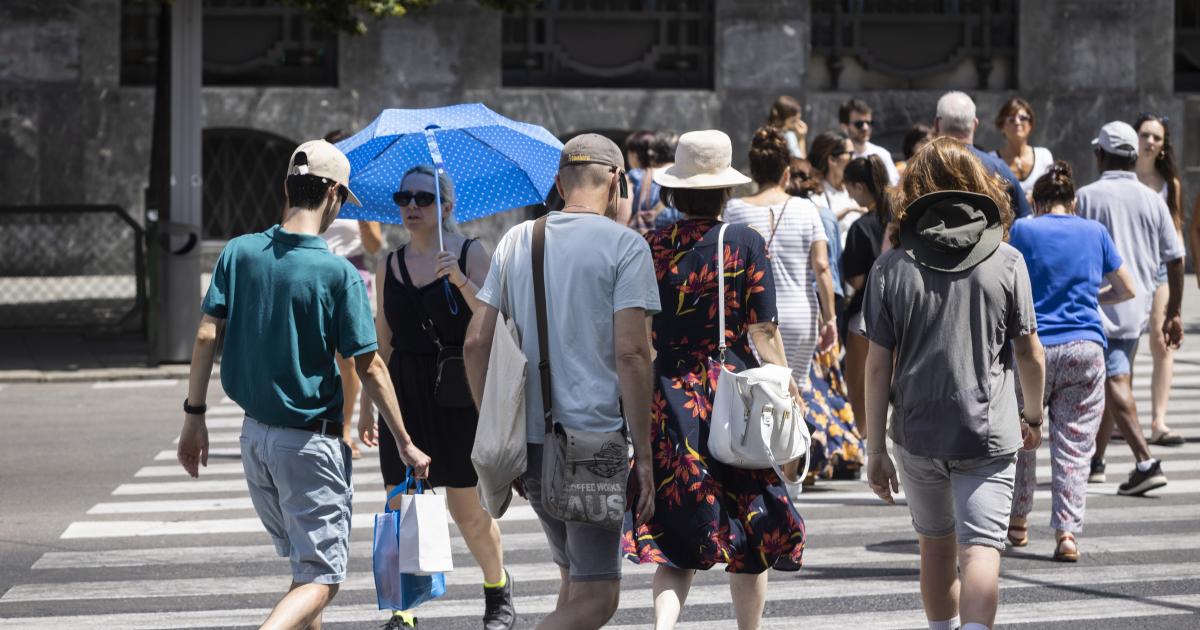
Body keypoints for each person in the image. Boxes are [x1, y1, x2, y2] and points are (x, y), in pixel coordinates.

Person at [176, 140, 431, 630]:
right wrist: (404, 441)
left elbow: (207, 332)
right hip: (310, 444)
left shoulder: (240, 251)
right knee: (322, 578)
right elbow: (371, 366)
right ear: (334, 194)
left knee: (303, 568)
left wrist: (194, 417)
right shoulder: (339, 274)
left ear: (286, 187)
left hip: (254, 439)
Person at [464, 133, 659, 630]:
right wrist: (646, 458)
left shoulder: (518, 238)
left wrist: (495, 428)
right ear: (617, 179)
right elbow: (633, 353)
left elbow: (475, 343)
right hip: (594, 443)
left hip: (530, 442)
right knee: (598, 598)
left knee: (573, 579)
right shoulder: (626, 246)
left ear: (559, 180)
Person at [621, 129, 807, 630]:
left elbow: (639, 333)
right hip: (735, 393)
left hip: (671, 396)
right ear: (726, 191)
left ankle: (663, 627)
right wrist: (788, 383)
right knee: (751, 526)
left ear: (676, 191)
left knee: (676, 530)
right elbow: (764, 330)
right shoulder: (745, 243)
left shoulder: (651, 246)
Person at [863, 136, 1045, 630]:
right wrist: (1033, 414)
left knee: (936, 549)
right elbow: (1029, 351)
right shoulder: (1006, 262)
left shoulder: (890, 269)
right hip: (988, 428)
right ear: (979, 187)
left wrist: (874, 448)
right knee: (981, 549)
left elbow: (878, 365)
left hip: (917, 432)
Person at [356, 164, 514, 630]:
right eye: (404, 197)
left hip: (458, 391)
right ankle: (404, 609)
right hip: (403, 392)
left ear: (446, 207)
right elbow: (381, 340)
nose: (410, 206)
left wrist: (461, 280)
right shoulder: (390, 263)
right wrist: (369, 405)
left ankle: (497, 588)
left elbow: (497, 321)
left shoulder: (470, 252)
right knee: (402, 503)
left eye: (423, 199)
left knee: (467, 509)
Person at [1006, 161, 1137, 562]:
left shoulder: (1025, 229)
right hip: (1086, 348)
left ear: (1037, 201)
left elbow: (1007, 279)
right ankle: (1066, 533)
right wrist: (1092, 299)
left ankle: (1018, 522)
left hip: (1035, 350)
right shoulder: (1095, 231)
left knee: (1023, 437)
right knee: (1075, 447)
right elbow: (1127, 288)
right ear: (1074, 201)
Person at [1077, 121, 1185, 494]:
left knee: (1115, 381)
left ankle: (1145, 460)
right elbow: (1175, 259)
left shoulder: (1086, 197)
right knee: (1114, 381)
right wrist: (1173, 312)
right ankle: (1097, 461)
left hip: (1097, 306)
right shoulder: (1152, 199)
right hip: (1136, 309)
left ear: (1101, 155)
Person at [1134, 113, 1186, 447]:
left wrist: (1177, 267)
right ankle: (1120, 417)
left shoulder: (1171, 182)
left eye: (1157, 137)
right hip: (1126, 266)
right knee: (1125, 342)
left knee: (1161, 340)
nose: (1150, 142)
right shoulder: (1122, 174)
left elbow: (1176, 228)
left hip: (1158, 267)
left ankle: (1158, 421)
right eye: (1145, 135)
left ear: (1164, 145)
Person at [841, 155, 895, 436]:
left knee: (860, 380)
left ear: (859, 187)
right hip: (902, 308)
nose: (849, 195)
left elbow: (857, 278)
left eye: (848, 188)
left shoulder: (860, 227)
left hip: (866, 312)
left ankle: (866, 436)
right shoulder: (900, 216)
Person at [321, 217, 383, 459]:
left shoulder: (359, 200)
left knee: (348, 361)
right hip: (316, 271)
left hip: (351, 276)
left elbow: (374, 246)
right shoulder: (312, 185)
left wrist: (365, 222)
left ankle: (343, 429)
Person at [933, 91, 1032, 219]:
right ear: (975, 124)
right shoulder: (999, 168)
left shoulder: (920, 167)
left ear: (936, 124)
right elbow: (1022, 220)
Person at [991, 97, 1053, 200]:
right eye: (1011, 119)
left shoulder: (1044, 156)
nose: (1017, 122)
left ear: (1030, 124)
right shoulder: (991, 160)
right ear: (1002, 126)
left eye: (1023, 118)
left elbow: (1052, 192)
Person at [840, 97, 900, 185]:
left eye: (869, 123)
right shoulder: (838, 157)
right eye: (859, 124)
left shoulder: (882, 154)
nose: (865, 128)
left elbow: (893, 188)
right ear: (844, 127)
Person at [627, 130, 664, 233]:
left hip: (641, 239)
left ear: (635, 154)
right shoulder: (668, 177)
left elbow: (623, 217)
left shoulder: (633, 176)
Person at [767, 94, 809, 163]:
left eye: (798, 119)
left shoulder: (765, 134)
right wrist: (802, 139)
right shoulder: (789, 136)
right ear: (780, 120)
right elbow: (802, 164)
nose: (797, 124)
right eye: (793, 121)